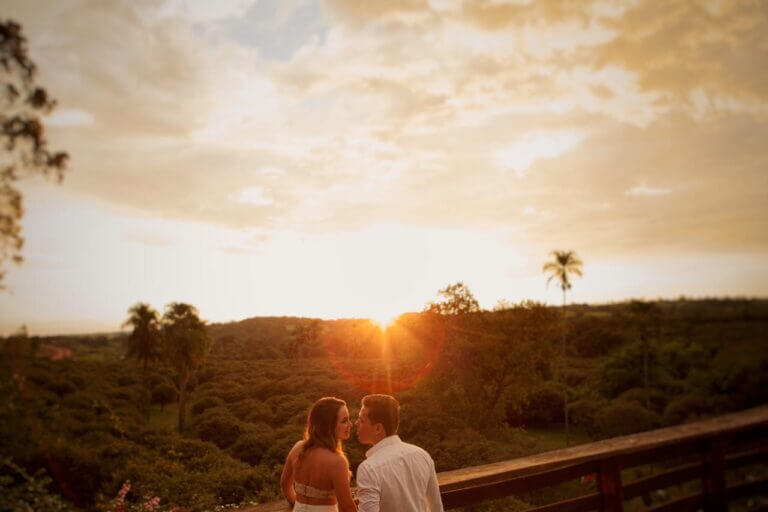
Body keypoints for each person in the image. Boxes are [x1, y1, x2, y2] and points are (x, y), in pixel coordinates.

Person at [355, 394, 443, 512]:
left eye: (361, 420)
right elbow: (437, 508)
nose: (356, 423)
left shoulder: (368, 469)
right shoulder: (422, 455)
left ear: (377, 429)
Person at [281, 397, 357, 512]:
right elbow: (347, 507)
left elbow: (285, 485)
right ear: (328, 426)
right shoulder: (337, 461)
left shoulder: (297, 447)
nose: (350, 424)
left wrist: (297, 505)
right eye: (344, 421)